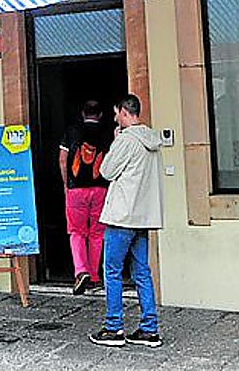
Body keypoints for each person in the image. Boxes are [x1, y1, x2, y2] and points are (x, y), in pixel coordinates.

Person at [90, 94, 164, 349]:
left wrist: (115, 141)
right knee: (142, 272)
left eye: (116, 113)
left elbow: (106, 171)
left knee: (111, 271)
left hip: (122, 216)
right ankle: (149, 329)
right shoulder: (152, 140)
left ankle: (114, 328)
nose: (114, 118)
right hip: (142, 217)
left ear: (123, 112)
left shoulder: (126, 140)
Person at [59, 99, 111, 295]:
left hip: (76, 190)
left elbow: (63, 160)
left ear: (83, 113)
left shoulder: (71, 131)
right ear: (100, 115)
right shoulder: (107, 133)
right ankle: (95, 276)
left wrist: (66, 184)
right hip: (100, 189)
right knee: (98, 233)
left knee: (76, 232)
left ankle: (81, 271)